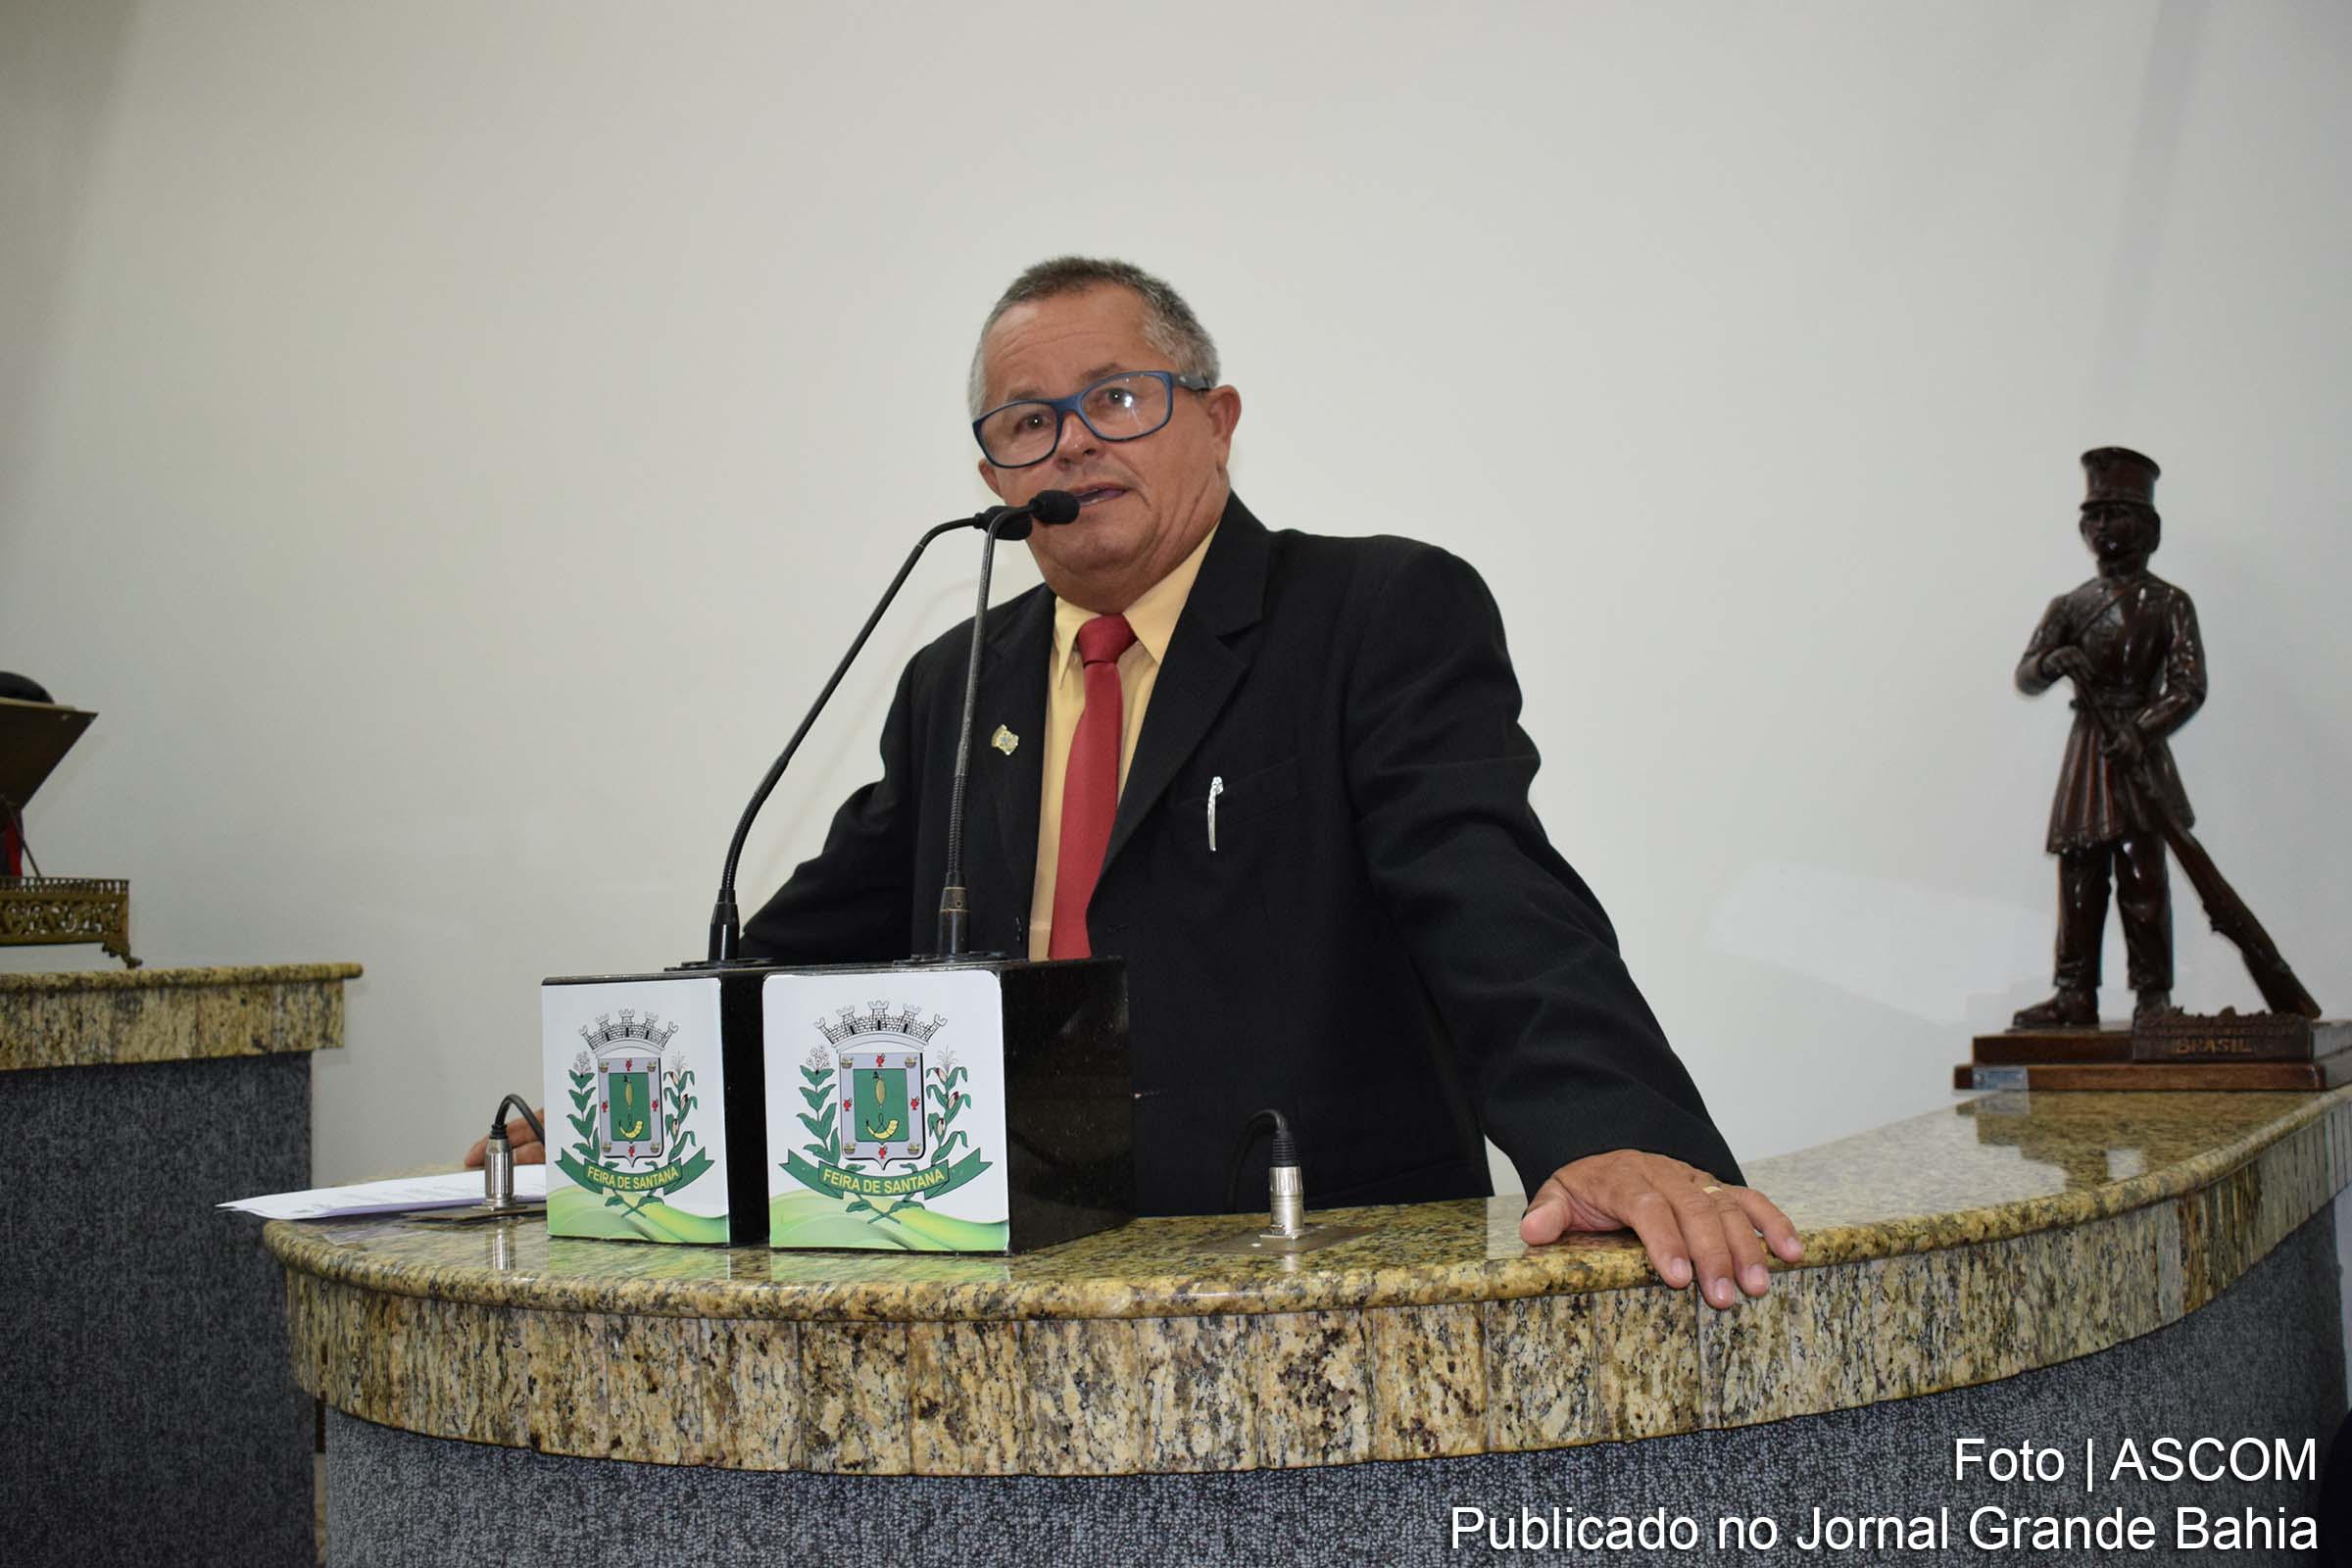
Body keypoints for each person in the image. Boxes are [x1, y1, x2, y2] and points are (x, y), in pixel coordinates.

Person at [479, 259, 1799, 1309]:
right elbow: (813, 943)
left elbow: (1490, 894)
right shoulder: (957, 680)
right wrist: (616, 1112)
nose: (1072, 446)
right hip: (1007, 1275)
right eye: (1027, 422)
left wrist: (1612, 1129)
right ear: (992, 476)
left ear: (1215, 421)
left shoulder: (1371, 613)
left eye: (1118, 398)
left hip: (1307, 1274)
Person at [2010, 448, 2204, 1029]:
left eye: (2115, 515)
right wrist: (2053, 660)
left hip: (2137, 749)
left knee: (2143, 873)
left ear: (2147, 528)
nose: (2102, 528)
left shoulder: (2169, 603)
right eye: (2093, 517)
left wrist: (2143, 729)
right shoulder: (2069, 606)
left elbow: (2189, 686)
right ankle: (2074, 991)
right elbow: (2026, 674)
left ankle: (2153, 996)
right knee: (2079, 871)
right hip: (2088, 750)